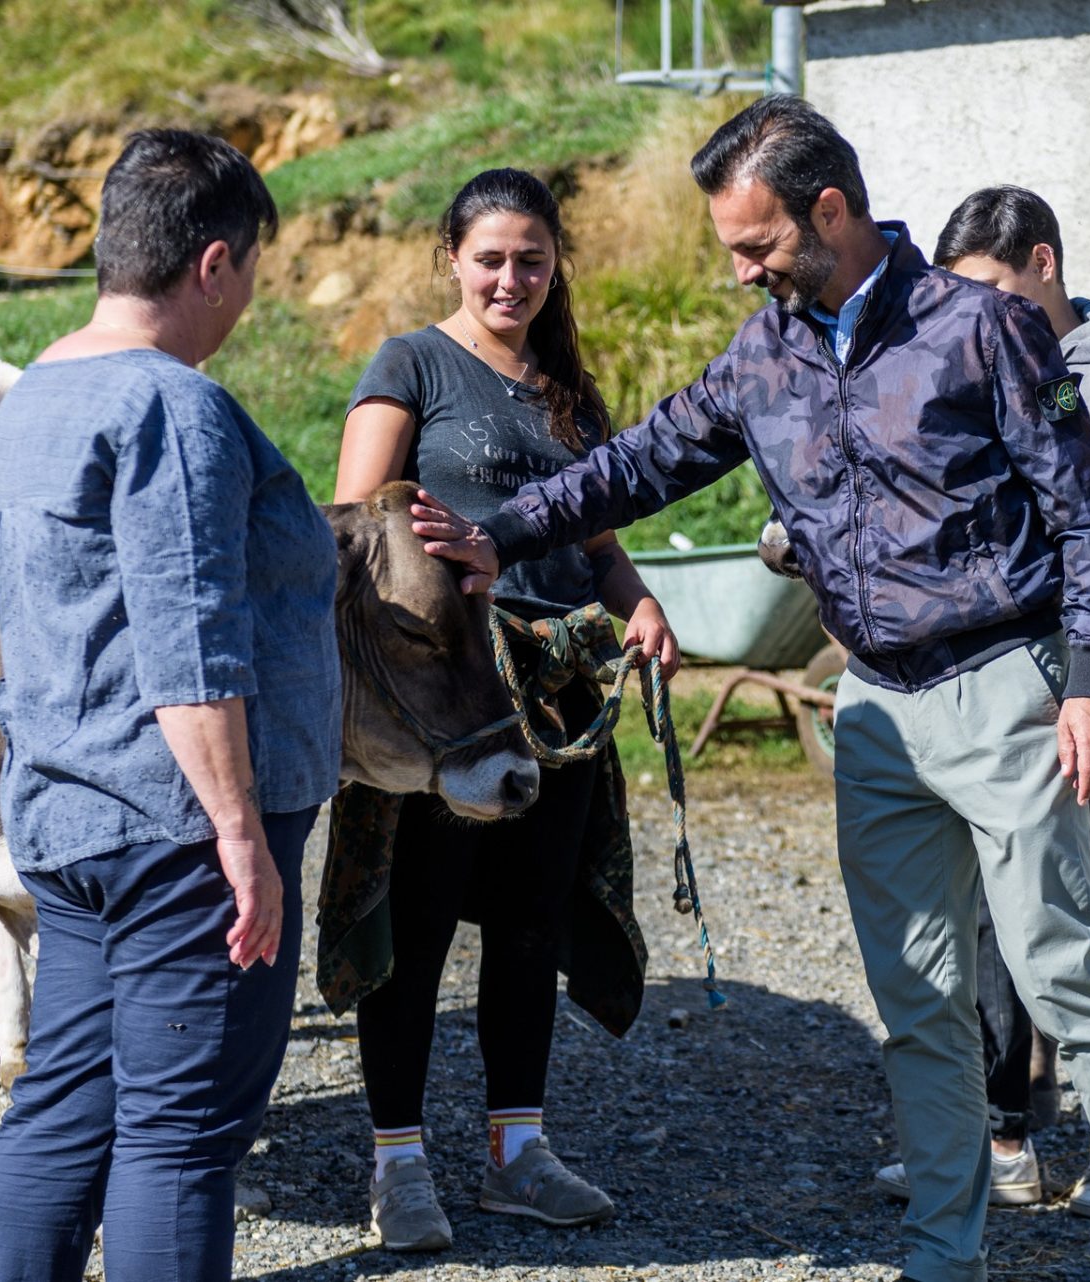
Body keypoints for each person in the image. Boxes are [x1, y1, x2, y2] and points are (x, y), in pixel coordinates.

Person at [416, 98, 1090, 1282]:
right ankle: (944, 1255)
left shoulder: (983, 328)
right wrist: (502, 532)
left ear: (831, 210)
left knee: (1064, 968)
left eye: (757, 245)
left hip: (1008, 684)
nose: (743, 269)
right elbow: (641, 459)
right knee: (919, 1002)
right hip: (876, 708)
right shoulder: (766, 351)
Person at [0, 129, 342, 1282]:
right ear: (214, 263)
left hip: (72, 818)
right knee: (181, 1137)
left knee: (64, 1114)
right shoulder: (171, 409)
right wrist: (240, 832)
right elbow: (190, 642)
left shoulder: (36, 391)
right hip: (180, 834)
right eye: (252, 275)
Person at [325, 167, 678, 1252]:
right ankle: (398, 1164)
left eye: (531, 258)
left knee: (529, 926)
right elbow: (354, 527)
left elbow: (600, 547)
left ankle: (517, 1152)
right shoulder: (412, 364)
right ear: (452, 260)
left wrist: (643, 603)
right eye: (490, 258)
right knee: (420, 928)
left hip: (562, 700)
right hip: (452, 696)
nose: (510, 279)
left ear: (555, 262)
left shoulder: (571, 388)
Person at [867, 185, 1090, 1217]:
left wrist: (1053, 620)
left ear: (1045, 267)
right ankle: (1005, 1138)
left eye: (996, 292)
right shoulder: (1002, 367)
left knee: (1080, 914)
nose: (975, 318)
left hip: (1087, 683)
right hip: (1004, 684)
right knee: (989, 918)